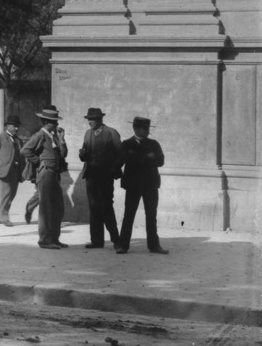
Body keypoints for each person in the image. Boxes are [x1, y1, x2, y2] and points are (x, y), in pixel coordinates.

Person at [118, 116, 168, 254]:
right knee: (129, 215)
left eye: (147, 128)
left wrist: (137, 157)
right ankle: (123, 245)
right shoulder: (126, 144)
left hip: (150, 185)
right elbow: (121, 161)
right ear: (135, 128)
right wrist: (147, 157)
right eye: (143, 128)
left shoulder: (154, 143)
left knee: (151, 215)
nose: (146, 131)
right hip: (133, 185)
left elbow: (161, 161)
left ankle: (154, 246)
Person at [22, 106, 69, 250]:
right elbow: (25, 150)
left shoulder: (53, 136)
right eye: (54, 122)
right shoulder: (40, 135)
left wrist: (61, 140)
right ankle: (45, 240)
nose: (57, 125)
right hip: (46, 173)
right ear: (47, 122)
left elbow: (63, 154)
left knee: (58, 207)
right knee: (46, 208)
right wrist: (39, 162)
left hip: (54, 174)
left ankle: (54, 238)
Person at [78, 106, 124, 250]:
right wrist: (82, 154)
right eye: (88, 120)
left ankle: (117, 241)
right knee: (94, 208)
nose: (89, 122)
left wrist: (113, 169)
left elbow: (121, 154)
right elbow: (84, 155)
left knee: (106, 208)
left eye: (92, 120)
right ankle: (97, 240)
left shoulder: (111, 133)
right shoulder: (87, 134)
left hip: (105, 177)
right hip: (91, 176)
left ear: (100, 119)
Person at [0, 114, 26, 226]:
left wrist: (24, 171)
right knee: (5, 194)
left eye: (17, 126)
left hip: (16, 172)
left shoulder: (19, 140)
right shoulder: (0, 138)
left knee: (12, 194)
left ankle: (0, 215)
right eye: (14, 126)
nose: (16, 128)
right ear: (7, 126)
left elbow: (22, 156)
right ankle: (3, 217)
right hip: (4, 171)